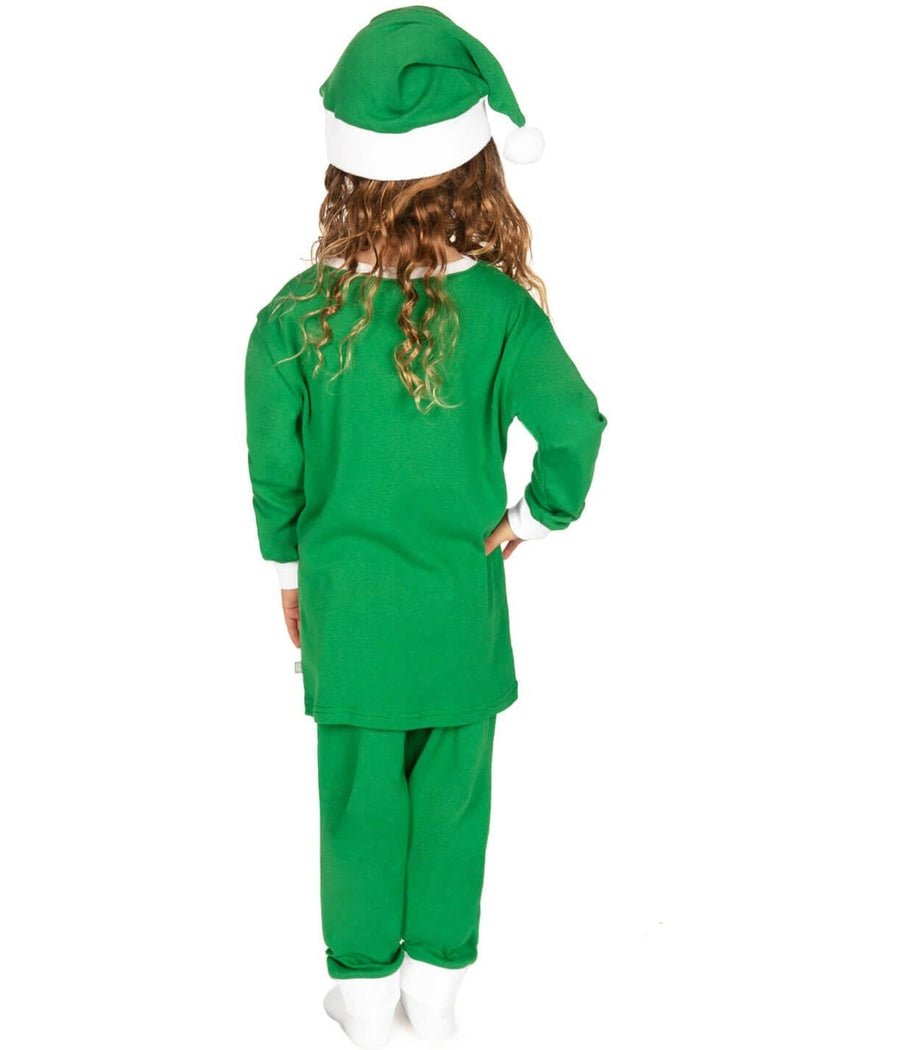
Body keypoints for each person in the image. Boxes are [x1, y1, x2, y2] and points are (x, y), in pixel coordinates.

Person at [243, 7, 608, 1048]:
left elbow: (275, 474)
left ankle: (363, 1002)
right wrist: (536, 517)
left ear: (345, 174)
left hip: (348, 609)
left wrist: (288, 574)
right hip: (459, 611)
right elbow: (576, 425)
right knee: (452, 801)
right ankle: (436, 997)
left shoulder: (293, 316)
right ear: (477, 172)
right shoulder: (501, 311)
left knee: (358, 803)